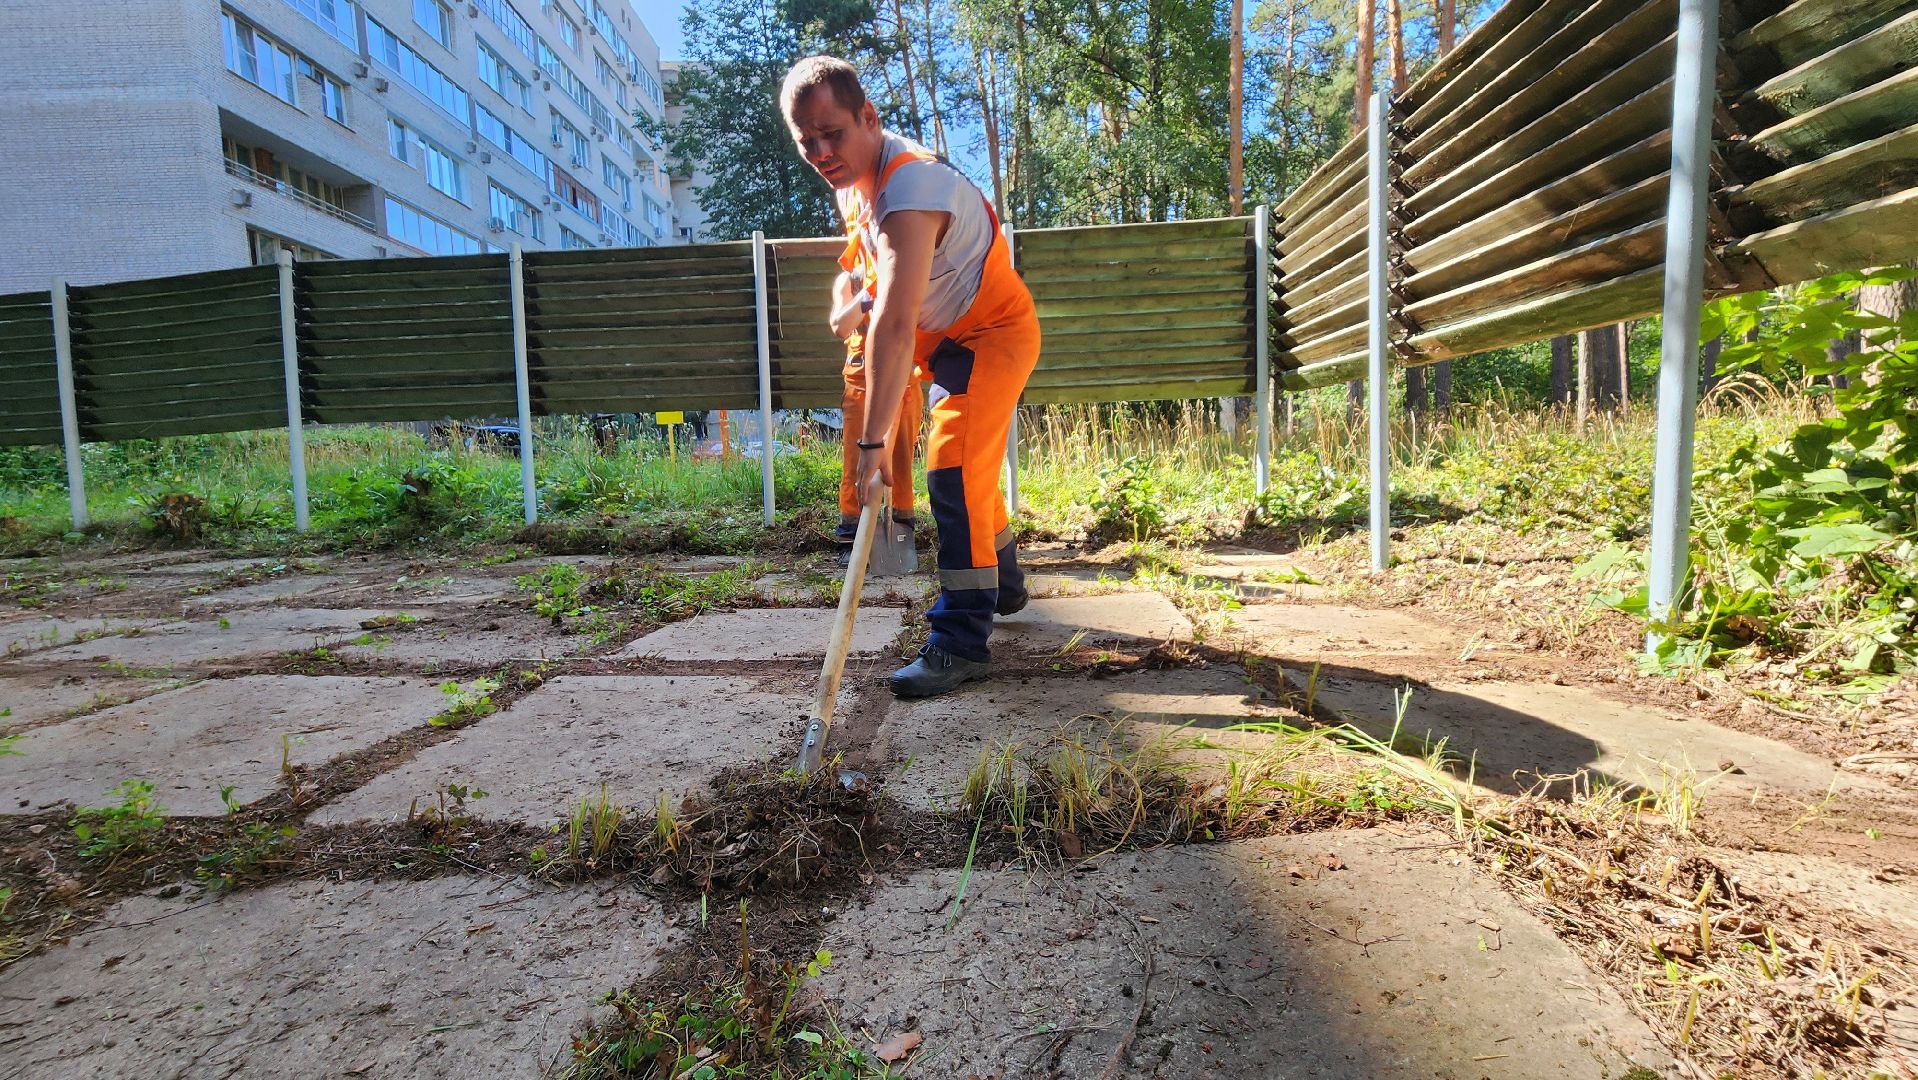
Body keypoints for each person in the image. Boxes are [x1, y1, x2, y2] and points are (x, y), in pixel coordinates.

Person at [781, 55, 1037, 698]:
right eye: (807, 141)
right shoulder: (853, 186)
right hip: (942, 343)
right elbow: (859, 266)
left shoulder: (912, 188)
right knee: (970, 465)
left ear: (869, 117)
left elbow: (893, 326)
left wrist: (871, 448)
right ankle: (1003, 582)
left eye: (832, 134)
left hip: (990, 334)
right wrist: (845, 296)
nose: (821, 152)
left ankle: (961, 640)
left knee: (951, 468)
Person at [829, 259, 921, 564]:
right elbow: (840, 326)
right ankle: (851, 534)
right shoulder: (849, 281)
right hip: (861, 385)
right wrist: (869, 293)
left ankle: (901, 530)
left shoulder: (910, 269)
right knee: (857, 461)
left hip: (904, 381)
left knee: (901, 460)